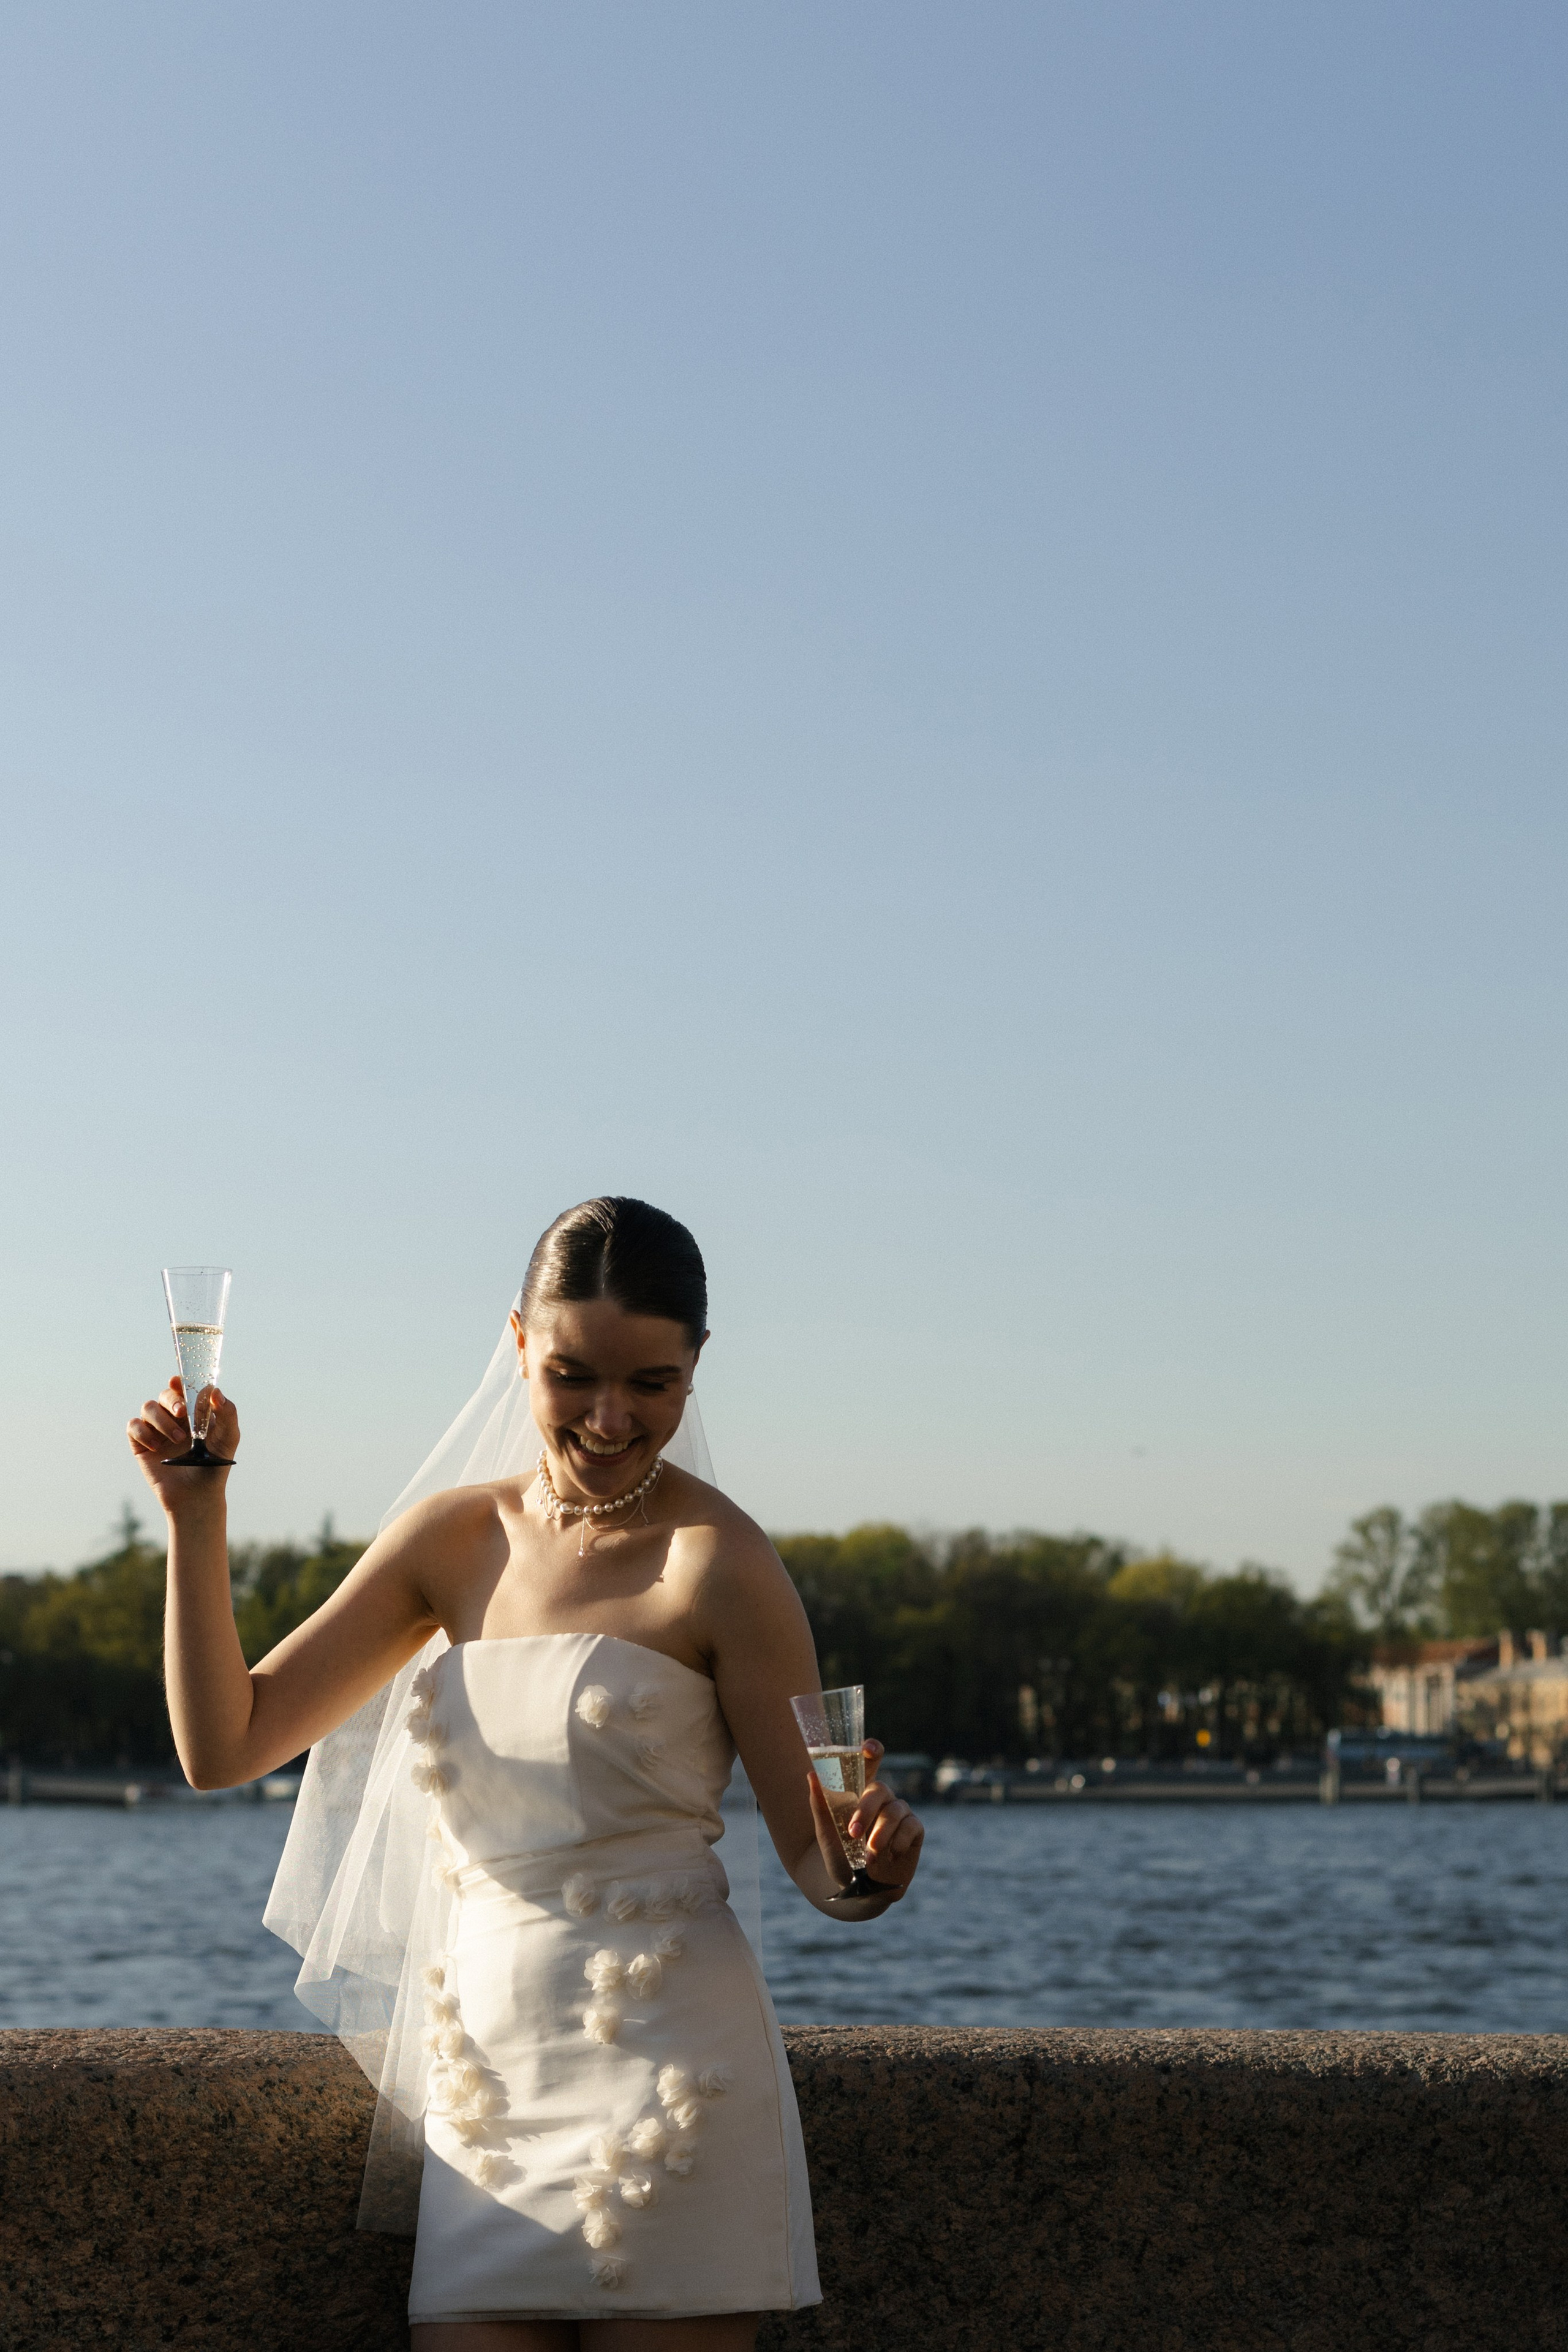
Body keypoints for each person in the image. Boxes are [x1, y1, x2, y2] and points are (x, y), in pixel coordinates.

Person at [128, 1197, 925, 2352]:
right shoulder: (450, 1543)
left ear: (697, 1366)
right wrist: (196, 1513)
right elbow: (224, 1748)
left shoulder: (723, 1565)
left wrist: (869, 1870)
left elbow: (818, 1857)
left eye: (651, 1383)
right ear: (516, 1344)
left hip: (676, 2079)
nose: (610, 1418)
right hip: (483, 2100)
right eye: (572, 1376)